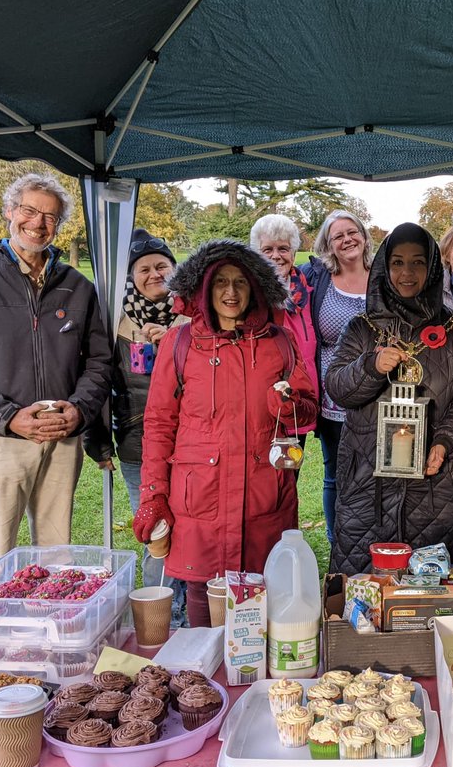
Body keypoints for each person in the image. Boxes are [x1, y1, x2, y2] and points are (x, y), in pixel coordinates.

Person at [0, 173, 110, 570]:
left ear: (58, 225)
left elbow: (99, 361)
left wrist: (79, 410)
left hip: (61, 437)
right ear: (10, 212)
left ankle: (49, 612)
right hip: (1, 439)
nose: (38, 223)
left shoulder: (78, 287)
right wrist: (8, 416)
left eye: (50, 216)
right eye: (29, 211)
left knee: (56, 556)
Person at [134, 239, 317, 627]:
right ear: (205, 287)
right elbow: (159, 424)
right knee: (203, 598)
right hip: (200, 498)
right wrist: (153, 494)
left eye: (240, 282)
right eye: (221, 282)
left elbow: (307, 407)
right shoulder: (180, 343)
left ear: (255, 289)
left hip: (263, 496)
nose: (230, 292)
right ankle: (205, 667)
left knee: (264, 598)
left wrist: (289, 407)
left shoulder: (280, 342)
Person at [325, 222, 453, 574]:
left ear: (433, 268)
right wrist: (370, 366)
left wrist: (444, 442)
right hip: (366, 481)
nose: (407, 273)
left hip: (434, 484)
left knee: (428, 588)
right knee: (365, 588)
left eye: (417, 262)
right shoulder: (361, 327)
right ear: (385, 267)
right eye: (398, 262)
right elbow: (337, 387)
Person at [83, 229, 188, 624]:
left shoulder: (195, 317)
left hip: (192, 444)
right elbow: (99, 381)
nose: (154, 274)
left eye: (162, 266)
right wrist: (98, 441)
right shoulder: (116, 322)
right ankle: (161, 617)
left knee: (192, 530)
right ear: (131, 277)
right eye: (144, 269)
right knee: (155, 530)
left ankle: (193, 612)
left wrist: (173, 344)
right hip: (137, 443)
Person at [298, 210, 373, 547]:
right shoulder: (318, 280)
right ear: (328, 245)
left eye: (352, 232)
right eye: (338, 236)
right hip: (334, 395)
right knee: (336, 473)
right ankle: (337, 542)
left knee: (373, 472)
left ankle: (371, 540)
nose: (347, 239)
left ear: (364, 236)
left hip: (376, 392)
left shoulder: (381, 277)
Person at [250, 214, 319, 448]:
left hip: (296, 400)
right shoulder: (247, 295)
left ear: (293, 253)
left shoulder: (307, 293)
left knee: (290, 465)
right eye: (267, 249)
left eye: (283, 248)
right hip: (258, 403)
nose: (276, 256)